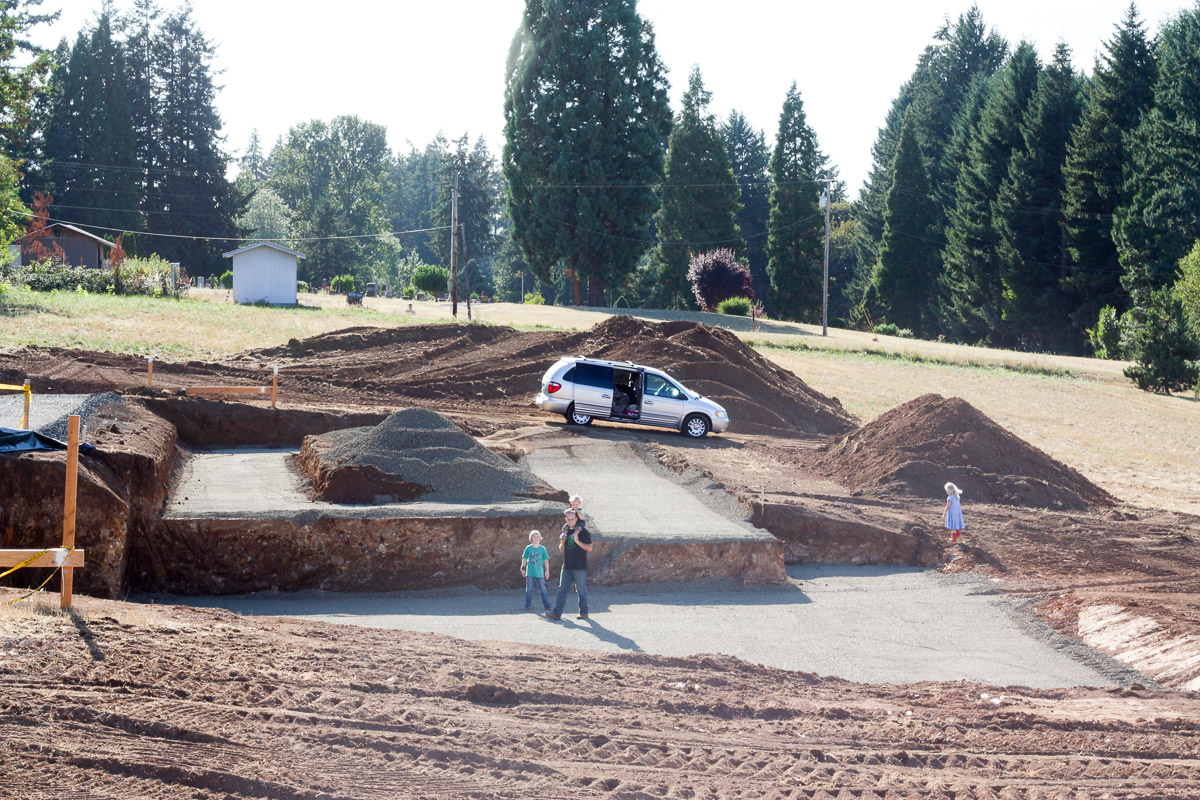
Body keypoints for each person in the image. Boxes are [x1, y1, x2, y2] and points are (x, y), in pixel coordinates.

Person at [545, 508, 592, 620]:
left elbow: (589, 548)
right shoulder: (565, 532)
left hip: (579, 567)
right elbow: (563, 550)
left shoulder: (583, 532)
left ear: (576, 519)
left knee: (581, 590)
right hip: (567, 566)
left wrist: (577, 541)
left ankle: (584, 612)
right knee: (562, 589)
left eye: (572, 519)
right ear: (566, 519)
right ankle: (557, 613)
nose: (571, 521)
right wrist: (562, 542)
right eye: (569, 519)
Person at [521, 530, 552, 610]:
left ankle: (546, 604)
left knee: (542, 589)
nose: (536, 538)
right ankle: (528, 605)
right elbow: (524, 559)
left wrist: (547, 571)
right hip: (530, 572)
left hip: (540, 573)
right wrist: (523, 568)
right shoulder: (528, 548)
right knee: (529, 589)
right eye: (534, 536)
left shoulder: (542, 549)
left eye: (537, 536)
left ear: (540, 538)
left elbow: (546, 560)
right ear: (531, 538)